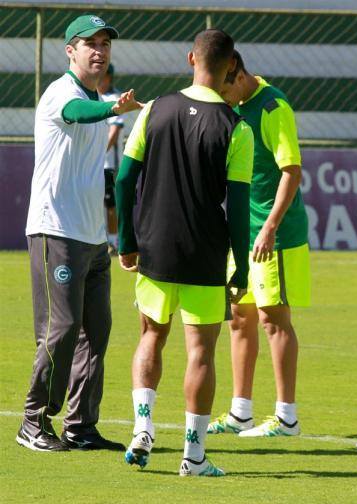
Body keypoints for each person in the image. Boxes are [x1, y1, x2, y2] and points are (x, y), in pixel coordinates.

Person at [115, 29, 253, 477]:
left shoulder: (154, 109)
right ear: (231, 66)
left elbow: (122, 180)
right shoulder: (237, 128)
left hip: (155, 246)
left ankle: (142, 429)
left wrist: (127, 241)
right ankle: (193, 456)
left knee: (151, 337)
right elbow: (235, 210)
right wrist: (241, 267)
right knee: (201, 354)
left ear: (191, 57)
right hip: (205, 254)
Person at [17, 14, 142, 453]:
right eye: (89, 42)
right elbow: (79, 112)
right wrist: (112, 108)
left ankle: (80, 426)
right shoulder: (61, 94)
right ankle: (33, 421)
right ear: (70, 50)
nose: (99, 50)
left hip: (91, 239)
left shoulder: (102, 98)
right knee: (62, 327)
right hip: (55, 232)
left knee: (97, 331)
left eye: (105, 43)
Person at [207, 50, 310, 438]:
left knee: (274, 319)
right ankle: (240, 412)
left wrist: (268, 227)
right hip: (243, 233)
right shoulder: (234, 108)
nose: (221, 97)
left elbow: (292, 171)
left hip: (274, 235)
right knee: (240, 318)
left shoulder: (272, 106)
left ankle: (287, 418)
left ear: (235, 72)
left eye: (222, 88)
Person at [98, 63, 124, 253]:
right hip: (95, 162)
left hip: (108, 163)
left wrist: (99, 152)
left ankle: (114, 242)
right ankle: (98, 240)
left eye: (105, 76)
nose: (102, 80)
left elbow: (114, 130)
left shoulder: (115, 98)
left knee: (110, 203)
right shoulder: (93, 97)